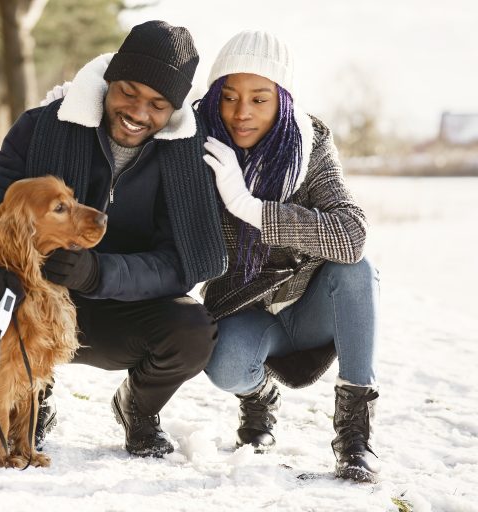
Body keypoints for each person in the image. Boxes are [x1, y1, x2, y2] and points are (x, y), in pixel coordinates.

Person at [0, 21, 228, 458]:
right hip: (36, 301)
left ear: (173, 109)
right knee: (0, 293)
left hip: (117, 311)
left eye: (157, 104)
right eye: (128, 92)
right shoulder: (43, 126)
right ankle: (30, 399)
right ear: (109, 81)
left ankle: (139, 409)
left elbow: (180, 263)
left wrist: (100, 273)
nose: (137, 112)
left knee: (193, 331)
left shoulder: (187, 157)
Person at [197, 30, 380, 483]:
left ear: (283, 100)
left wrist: (252, 209)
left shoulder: (310, 143)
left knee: (356, 269)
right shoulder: (195, 146)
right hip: (246, 308)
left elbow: (351, 234)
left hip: (313, 303)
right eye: (230, 97)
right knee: (225, 368)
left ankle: (354, 436)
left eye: (259, 99)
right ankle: (259, 399)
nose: (242, 114)